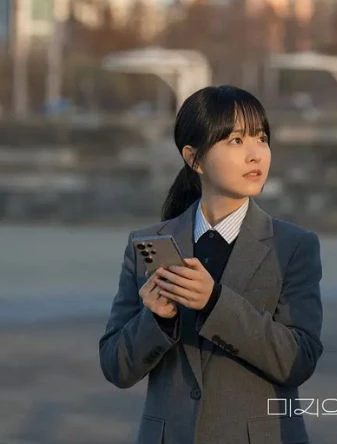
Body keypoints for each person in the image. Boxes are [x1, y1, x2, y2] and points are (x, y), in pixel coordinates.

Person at [99, 85, 323, 444]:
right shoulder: (149, 244)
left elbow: (299, 360)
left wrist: (215, 303)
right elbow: (115, 366)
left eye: (261, 139)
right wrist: (156, 320)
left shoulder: (293, 246)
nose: (255, 154)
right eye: (236, 140)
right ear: (194, 159)